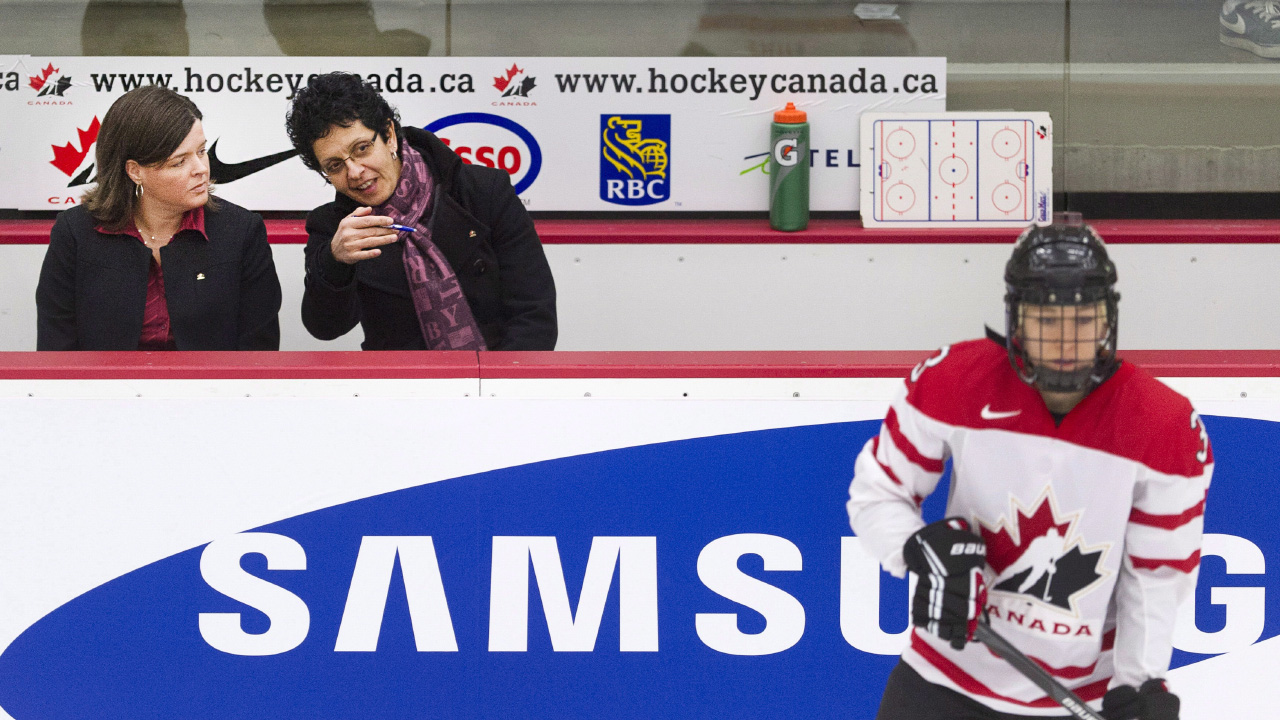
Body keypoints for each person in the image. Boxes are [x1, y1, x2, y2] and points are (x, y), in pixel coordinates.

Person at [846, 214, 1212, 720]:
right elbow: (878, 493)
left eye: (1083, 322)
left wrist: (1138, 685)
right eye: (1046, 321)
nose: (1066, 343)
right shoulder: (953, 382)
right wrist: (915, 548)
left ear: (1108, 320)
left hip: (1078, 696)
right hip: (941, 679)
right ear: (1016, 319)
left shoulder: (1163, 424)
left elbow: (1158, 574)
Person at [285, 72, 557, 350]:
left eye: (362, 148)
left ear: (389, 135)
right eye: (334, 166)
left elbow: (534, 313)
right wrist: (336, 262)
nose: (354, 172)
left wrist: (497, 386)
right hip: (399, 385)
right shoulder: (336, 226)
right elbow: (325, 328)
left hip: (495, 379)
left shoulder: (483, 191)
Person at [36, 85, 282, 350]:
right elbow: (56, 348)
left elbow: (258, 353)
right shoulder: (75, 233)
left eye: (201, 151)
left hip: (212, 389)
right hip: (102, 390)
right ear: (135, 171)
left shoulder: (242, 232)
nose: (201, 169)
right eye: (179, 162)